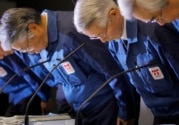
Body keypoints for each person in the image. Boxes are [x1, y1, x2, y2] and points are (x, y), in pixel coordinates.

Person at [73, 0, 179, 125]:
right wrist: (126, 113)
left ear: (113, 14)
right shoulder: (115, 45)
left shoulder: (155, 31)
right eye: (96, 38)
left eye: (102, 33)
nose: (103, 41)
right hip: (160, 115)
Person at [0, 7, 139, 125]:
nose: (30, 53)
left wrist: (125, 111)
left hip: (104, 107)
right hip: (81, 110)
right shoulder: (43, 40)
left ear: (34, 27)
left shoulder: (72, 32)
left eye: (27, 48)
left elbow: (113, 71)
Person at [0, 44, 51, 116]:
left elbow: (29, 77)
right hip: (14, 97)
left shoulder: (10, 57)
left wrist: (44, 99)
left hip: (29, 94)